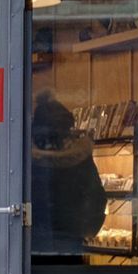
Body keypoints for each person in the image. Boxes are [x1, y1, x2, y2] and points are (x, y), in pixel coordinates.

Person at [27, 92, 107, 256]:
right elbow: (97, 198)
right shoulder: (80, 157)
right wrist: (85, 227)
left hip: (33, 238)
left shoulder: (26, 158)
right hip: (71, 238)